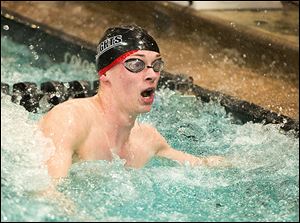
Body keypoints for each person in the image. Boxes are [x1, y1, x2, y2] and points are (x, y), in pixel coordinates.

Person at [38, 25, 228, 179]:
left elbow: (203, 165)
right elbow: (48, 192)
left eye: (157, 65)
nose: (152, 74)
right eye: (136, 64)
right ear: (105, 73)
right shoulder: (71, 119)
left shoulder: (147, 140)